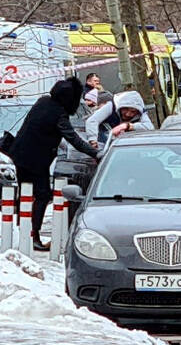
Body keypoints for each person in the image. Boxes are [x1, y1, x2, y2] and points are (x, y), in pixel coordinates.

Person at [3, 77, 98, 251]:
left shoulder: (42, 102)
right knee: (42, 195)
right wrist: (96, 153)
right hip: (36, 161)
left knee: (24, 196)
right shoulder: (59, 114)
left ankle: (22, 233)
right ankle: (34, 236)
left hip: (18, 155)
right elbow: (74, 139)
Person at [86, 89, 153, 151]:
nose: (128, 114)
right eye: (125, 109)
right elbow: (92, 121)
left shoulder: (141, 112)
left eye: (133, 112)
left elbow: (150, 127)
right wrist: (93, 140)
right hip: (103, 137)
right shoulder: (111, 106)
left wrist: (128, 126)